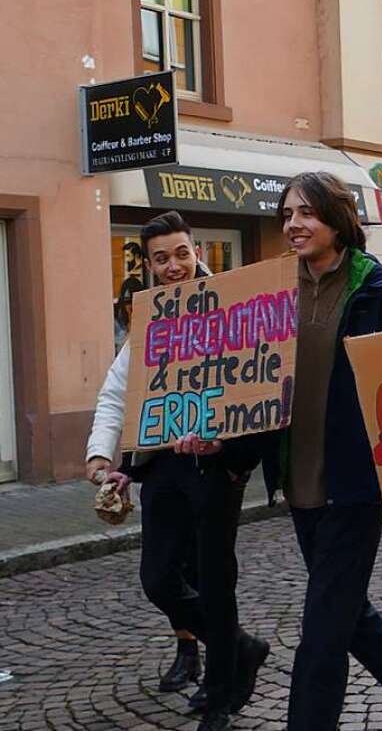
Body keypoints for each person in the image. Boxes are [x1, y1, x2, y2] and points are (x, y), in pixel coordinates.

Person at [260, 172, 382, 731]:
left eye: (306, 213)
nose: (294, 224)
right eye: (288, 214)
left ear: (338, 221)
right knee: (341, 606)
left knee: (321, 627)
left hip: (356, 486)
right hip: (302, 480)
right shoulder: (273, 291)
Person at [85, 211, 270, 731]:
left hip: (216, 467)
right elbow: (117, 393)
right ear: (148, 265)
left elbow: (261, 379)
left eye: (182, 254)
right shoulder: (146, 317)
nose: (173, 266)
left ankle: (220, 697)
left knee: (215, 583)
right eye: (161, 258)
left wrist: (226, 442)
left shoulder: (233, 307)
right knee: (159, 579)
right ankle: (242, 649)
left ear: (198, 253)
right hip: (163, 464)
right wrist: (103, 456)